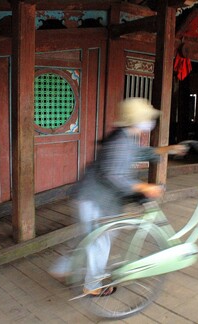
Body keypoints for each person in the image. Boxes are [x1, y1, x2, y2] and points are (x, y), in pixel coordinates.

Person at [50, 98, 186, 297]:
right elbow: (113, 174)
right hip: (96, 200)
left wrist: (166, 149)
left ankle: (62, 268)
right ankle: (93, 285)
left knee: (88, 237)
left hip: (90, 196)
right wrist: (144, 187)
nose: (150, 122)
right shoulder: (121, 141)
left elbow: (137, 153)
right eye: (147, 118)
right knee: (100, 241)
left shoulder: (126, 136)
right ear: (137, 119)